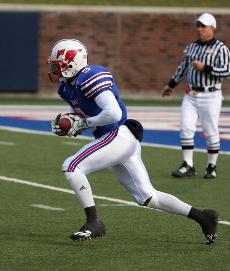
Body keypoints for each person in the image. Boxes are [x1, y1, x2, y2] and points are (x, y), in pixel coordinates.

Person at [48, 39, 219, 244]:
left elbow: (113, 113)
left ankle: (93, 222)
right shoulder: (66, 87)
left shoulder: (89, 77)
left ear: (71, 63)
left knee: (71, 166)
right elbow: (86, 114)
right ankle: (204, 218)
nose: (54, 69)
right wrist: (69, 123)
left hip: (117, 134)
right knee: (148, 198)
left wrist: (82, 123)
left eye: (57, 64)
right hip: (116, 139)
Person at [162, 13, 230, 179]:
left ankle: (211, 166)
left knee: (210, 131)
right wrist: (171, 85)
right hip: (191, 94)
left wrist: (205, 68)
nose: (200, 29)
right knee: (186, 128)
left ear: (212, 28)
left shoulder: (221, 48)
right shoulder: (192, 46)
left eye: (203, 26)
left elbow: (227, 71)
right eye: (198, 26)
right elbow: (183, 68)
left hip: (211, 94)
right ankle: (188, 165)